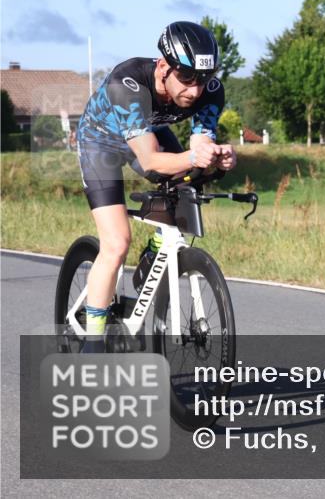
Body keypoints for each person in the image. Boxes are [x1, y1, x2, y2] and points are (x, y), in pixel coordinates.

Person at [74, 21, 237, 347]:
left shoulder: (209, 93)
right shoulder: (129, 83)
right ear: (163, 66)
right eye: (187, 78)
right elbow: (149, 161)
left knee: (187, 189)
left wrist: (218, 158)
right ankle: (92, 343)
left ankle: (155, 250)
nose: (194, 90)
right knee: (117, 243)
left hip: (147, 132)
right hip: (101, 144)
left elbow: (199, 147)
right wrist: (194, 158)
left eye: (203, 80)